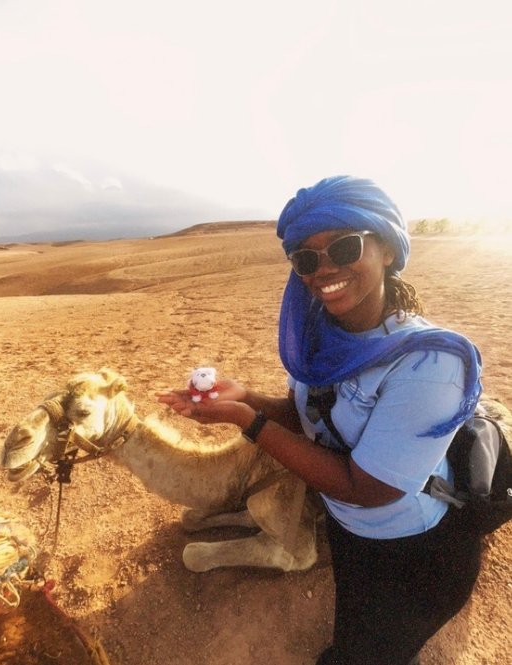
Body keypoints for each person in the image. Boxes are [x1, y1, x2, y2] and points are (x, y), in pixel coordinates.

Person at [157, 176, 483, 665]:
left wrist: (248, 421)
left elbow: (369, 487)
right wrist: (246, 398)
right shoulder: (322, 339)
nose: (323, 268)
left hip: (412, 548)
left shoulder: (428, 363)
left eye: (344, 246)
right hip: (350, 530)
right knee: (353, 634)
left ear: (388, 248)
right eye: (306, 258)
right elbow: (311, 417)